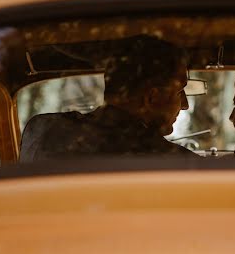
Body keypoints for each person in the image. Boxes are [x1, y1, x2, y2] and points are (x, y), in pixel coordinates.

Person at [20, 35, 193, 160]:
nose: (185, 105)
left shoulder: (42, 132)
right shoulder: (172, 163)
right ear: (152, 98)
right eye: (179, 92)